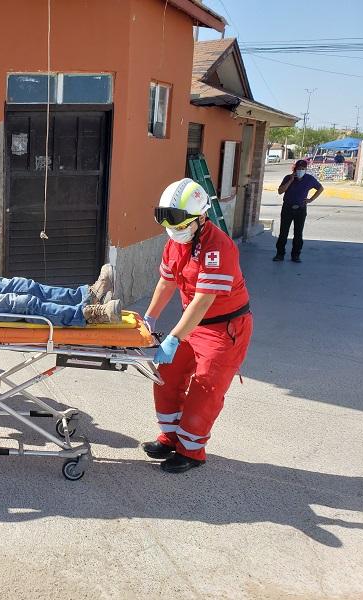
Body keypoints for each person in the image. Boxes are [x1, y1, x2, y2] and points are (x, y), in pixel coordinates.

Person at [141, 178, 253, 474]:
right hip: (192, 323)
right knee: (166, 375)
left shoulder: (219, 248)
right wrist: (149, 318)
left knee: (205, 389)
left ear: (201, 216)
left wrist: (175, 337)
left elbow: (203, 301)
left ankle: (192, 451)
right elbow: (166, 282)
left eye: (178, 222)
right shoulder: (175, 243)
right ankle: (170, 437)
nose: (172, 228)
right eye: (166, 220)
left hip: (223, 329)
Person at [274, 159, 323, 263]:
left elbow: (320, 188)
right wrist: (290, 181)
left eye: (303, 169)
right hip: (287, 208)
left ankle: (296, 255)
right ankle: (280, 254)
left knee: (298, 233)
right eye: (298, 168)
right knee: (283, 232)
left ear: (305, 169)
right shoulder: (288, 177)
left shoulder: (309, 179)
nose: (300, 170)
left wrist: (311, 199)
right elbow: (280, 191)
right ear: (295, 169)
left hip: (300, 209)